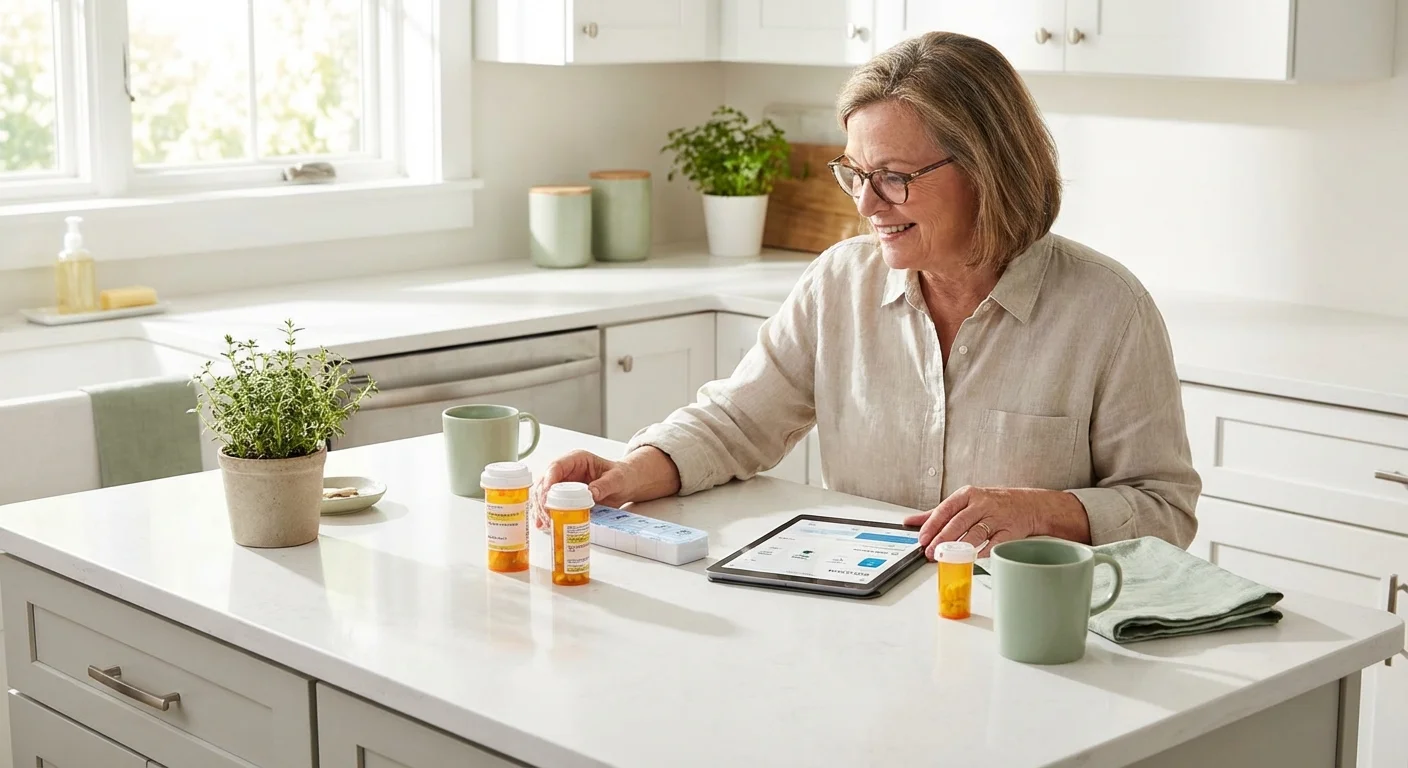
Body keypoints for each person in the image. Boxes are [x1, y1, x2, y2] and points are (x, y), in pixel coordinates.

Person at [534, 31, 1201, 558]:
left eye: (893, 177)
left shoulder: (1108, 310)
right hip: (865, 621)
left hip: (1028, 640)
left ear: (987, 170)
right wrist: (627, 470)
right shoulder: (838, 282)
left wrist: (1051, 512)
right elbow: (738, 424)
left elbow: (1165, 509)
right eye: (853, 173)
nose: (866, 204)